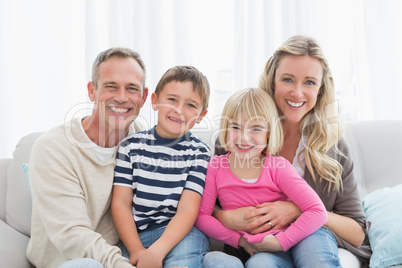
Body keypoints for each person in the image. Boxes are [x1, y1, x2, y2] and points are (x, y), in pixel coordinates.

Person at [212, 35, 372, 267]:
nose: (297, 93)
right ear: (273, 81)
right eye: (288, 79)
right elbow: (204, 204)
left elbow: (357, 232)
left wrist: (299, 210)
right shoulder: (237, 139)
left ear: (320, 89)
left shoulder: (334, 147)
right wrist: (223, 216)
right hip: (259, 248)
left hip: (312, 238)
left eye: (309, 82)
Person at [27, 47, 148, 268]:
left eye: (132, 88)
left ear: (144, 96)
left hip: (120, 258)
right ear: (92, 91)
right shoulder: (53, 148)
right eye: (111, 87)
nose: (122, 98)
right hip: (68, 261)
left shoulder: (143, 140)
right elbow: (72, 235)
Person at [196, 87, 328, 268]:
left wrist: (279, 242)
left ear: (268, 134)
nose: (244, 137)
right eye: (235, 127)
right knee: (233, 262)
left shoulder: (278, 167)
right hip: (251, 250)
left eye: (256, 129)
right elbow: (202, 216)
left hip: (290, 244)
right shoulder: (216, 167)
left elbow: (317, 211)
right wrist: (240, 241)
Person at [111, 65, 211, 268]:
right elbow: (121, 203)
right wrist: (136, 249)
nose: (179, 110)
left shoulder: (200, 153)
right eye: (172, 100)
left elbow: (187, 209)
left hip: (181, 235)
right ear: (155, 101)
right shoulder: (131, 146)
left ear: (201, 115)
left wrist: (158, 250)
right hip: (138, 236)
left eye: (191, 105)